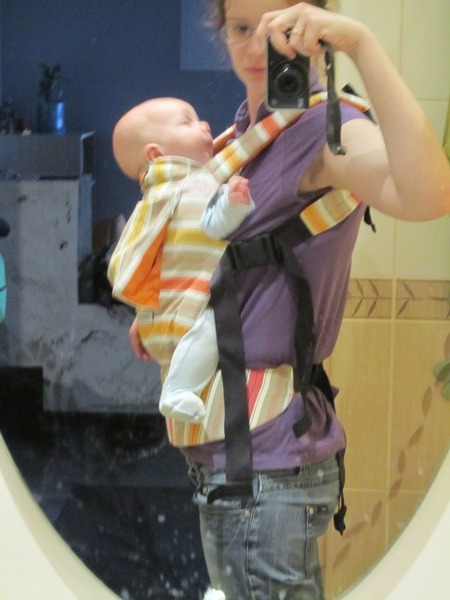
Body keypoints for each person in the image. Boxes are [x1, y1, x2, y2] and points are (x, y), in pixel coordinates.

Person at [128, 2, 450, 598]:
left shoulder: (323, 129)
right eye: (240, 29)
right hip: (233, 460)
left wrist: (360, 45)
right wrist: (165, 316)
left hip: (268, 467)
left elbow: (428, 193)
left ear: (315, 27)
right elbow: (210, 260)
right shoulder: (242, 136)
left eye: (281, 29)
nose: (257, 47)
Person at [109, 97, 254, 423]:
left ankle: (180, 386)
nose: (204, 125)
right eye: (187, 122)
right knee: (211, 326)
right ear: (156, 154)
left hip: (163, 314)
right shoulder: (187, 188)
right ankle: (178, 389)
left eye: (198, 118)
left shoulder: (161, 197)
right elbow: (214, 225)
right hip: (185, 315)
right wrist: (234, 204)